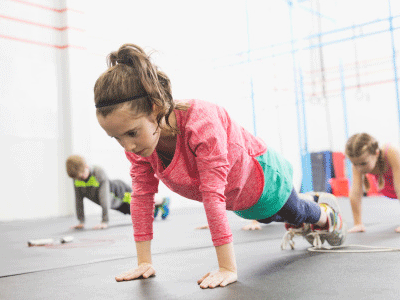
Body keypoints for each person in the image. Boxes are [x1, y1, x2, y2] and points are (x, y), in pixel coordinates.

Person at [93, 43, 346, 289]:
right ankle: (305, 208)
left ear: (155, 108)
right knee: (269, 217)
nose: (127, 146)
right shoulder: (142, 148)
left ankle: (326, 214)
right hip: (240, 201)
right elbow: (141, 197)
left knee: (296, 211)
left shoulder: (200, 122)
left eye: (131, 133)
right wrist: (144, 262)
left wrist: (227, 267)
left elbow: (212, 193)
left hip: (264, 178)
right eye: (117, 138)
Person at [66, 155, 171, 229]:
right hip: (115, 203)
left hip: (120, 192)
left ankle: (163, 201)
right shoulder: (77, 180)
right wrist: (81, 221)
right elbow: (78, 199)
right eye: (78, 177)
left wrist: (104, 221)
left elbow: (104, 197)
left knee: (141, 201)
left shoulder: (98, 172)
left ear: (86, 166)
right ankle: (155, 208)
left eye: (82, 174)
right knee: (134, 211)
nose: (81, 178)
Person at [345, 133, 400, 233]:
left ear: (376, 153)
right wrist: (358, 224)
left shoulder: (390, 152)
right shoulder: (359, 162)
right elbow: (356, 192)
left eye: (363, 163)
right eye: (354, 164)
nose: (359, 168)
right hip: (390, 189)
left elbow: (399, 187)